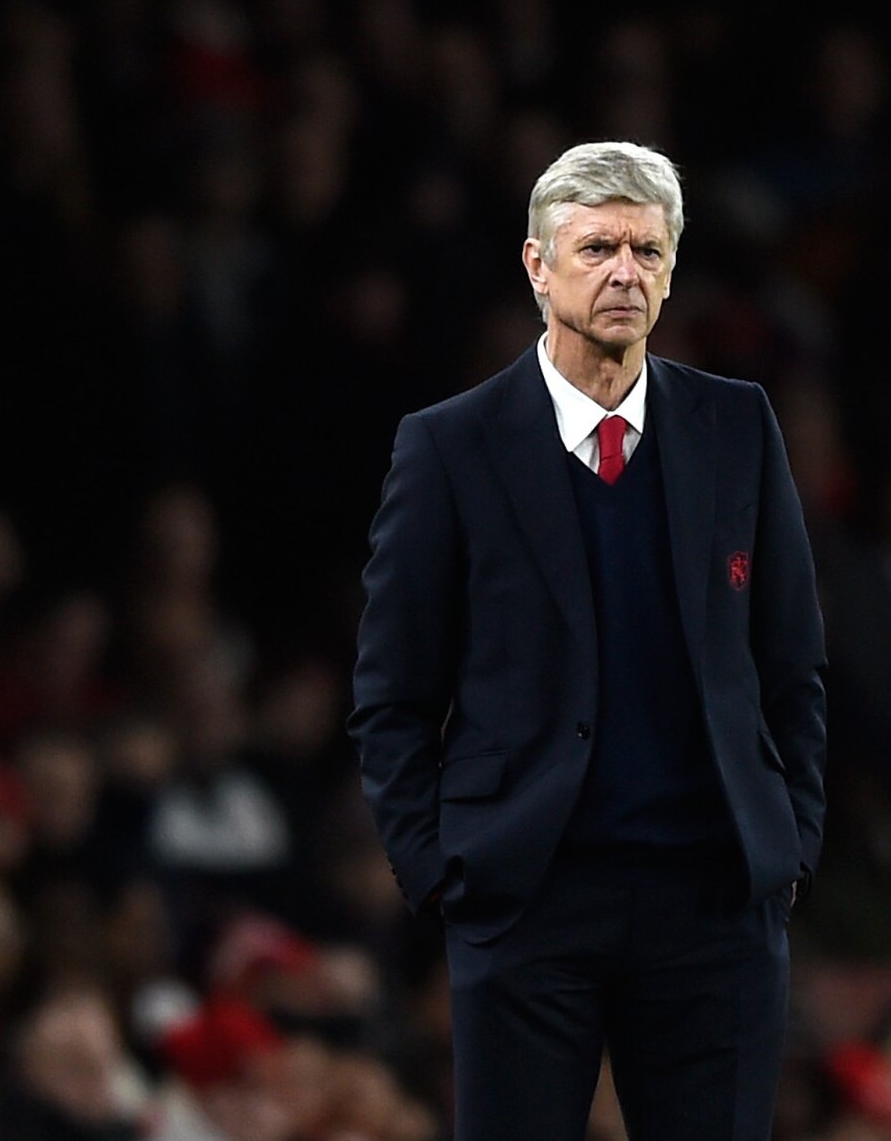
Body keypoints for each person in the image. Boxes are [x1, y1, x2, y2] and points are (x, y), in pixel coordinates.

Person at [347, 140, 829, 1141]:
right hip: (529, 896)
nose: (625, 272)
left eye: (649, 251)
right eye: (599, 246)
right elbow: (392, 694)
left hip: (713, 898)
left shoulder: (736, 426)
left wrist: (790, 839)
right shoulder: (448, 446)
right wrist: (442, 874)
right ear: (537, 265)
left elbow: (791, 661)